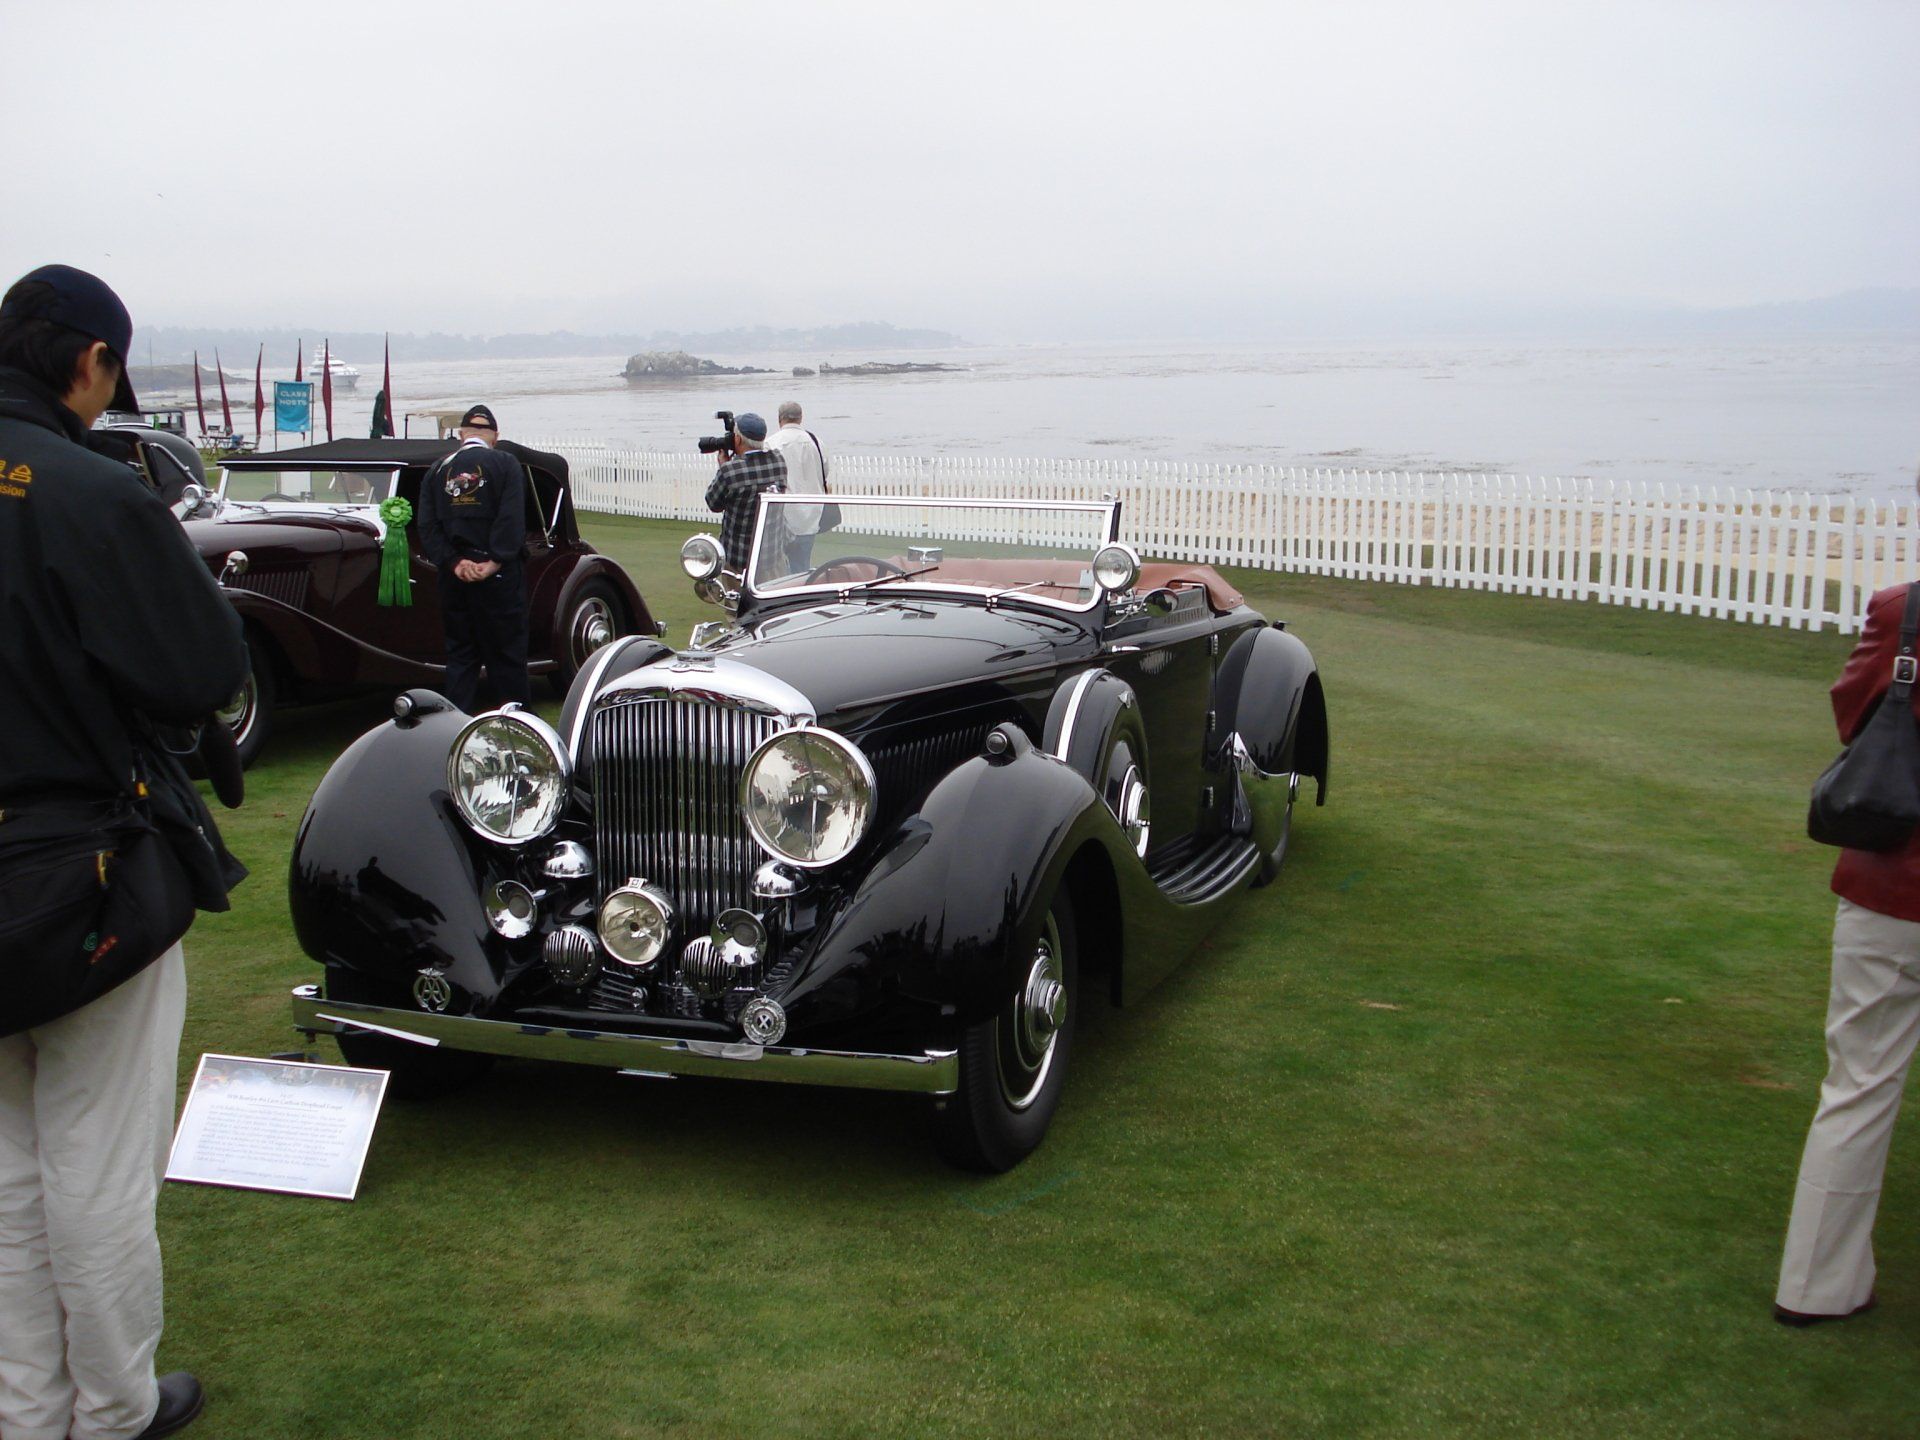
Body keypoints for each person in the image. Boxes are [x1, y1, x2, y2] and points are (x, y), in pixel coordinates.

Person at [0, 266, 249, 1440]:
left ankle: (27, 1409)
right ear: (91, 363)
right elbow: (202, 672)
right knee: (94, 1166)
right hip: (74, 867)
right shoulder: (90, 493)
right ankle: (109, 1410)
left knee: (6, 1177)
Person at [1774, 518, 1920, 1327]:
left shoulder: (1903, 611)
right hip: (1893, 885)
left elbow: (1853, 711)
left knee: (1857, 1088)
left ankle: (1816, 1285)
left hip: (1889, 888)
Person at [417, 403, 529, 712]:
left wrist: (454, 562)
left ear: (462, 434)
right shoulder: (505, 463)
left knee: (461, 655)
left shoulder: (438, 470)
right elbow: (511, 518)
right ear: (494, 436)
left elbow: (427, 525)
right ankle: (516, 721)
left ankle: (455, 726)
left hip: (455, 576)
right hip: (498, 574)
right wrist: (495, 560)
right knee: (506, 655)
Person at [705, 411, 786, 574]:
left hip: (738, 559)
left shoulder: (731, 472)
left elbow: (713, 503)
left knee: (736, 600)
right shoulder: (778, 461)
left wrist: (724, 467)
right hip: (771, 555)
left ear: (738, 439)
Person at [765, 400, 828, 571]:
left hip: (784, 514)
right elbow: (824, 472)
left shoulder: (771, 443)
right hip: (812, 512)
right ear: (800, 418)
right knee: (802, 564)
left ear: (780, 419)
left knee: (777, 565)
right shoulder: (816, 442)